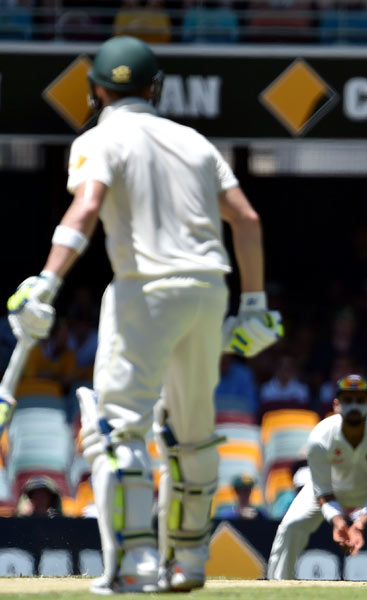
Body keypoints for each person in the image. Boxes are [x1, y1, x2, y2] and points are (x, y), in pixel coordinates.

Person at [3, 36, 283, 593]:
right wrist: (253, 305)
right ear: (155, 88)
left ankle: (135, 566)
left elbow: (85, 206)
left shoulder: (98, 138)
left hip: (143, 290)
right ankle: (190, 563)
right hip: (209, 290)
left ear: (97, 91)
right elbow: (247, 221)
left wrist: (46, 284)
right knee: (193, 435)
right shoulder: (195, 142)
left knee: (117, 430)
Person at [266, 374, 367, 582]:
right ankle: (277, 586)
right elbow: (322, 489)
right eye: (347, 400)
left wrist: (359, 524)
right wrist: (338, 521)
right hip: (332, 489)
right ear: (336, 405)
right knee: (291, 526)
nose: (354, 406)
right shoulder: (320, 437)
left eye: (360, 400)